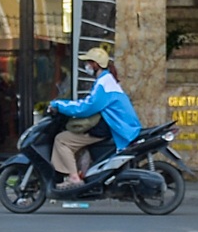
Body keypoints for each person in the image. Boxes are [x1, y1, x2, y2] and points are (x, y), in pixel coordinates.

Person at [47, 44, 140, 194]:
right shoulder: (106, 80)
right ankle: (82, 171)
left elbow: (86, 108)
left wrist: (59, 104)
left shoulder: (104, 84)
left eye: (89, 62)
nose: (86, 66)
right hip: (114, 126)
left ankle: (74, 179)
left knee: (61, 139)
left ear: (96, 65)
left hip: (113, 128)